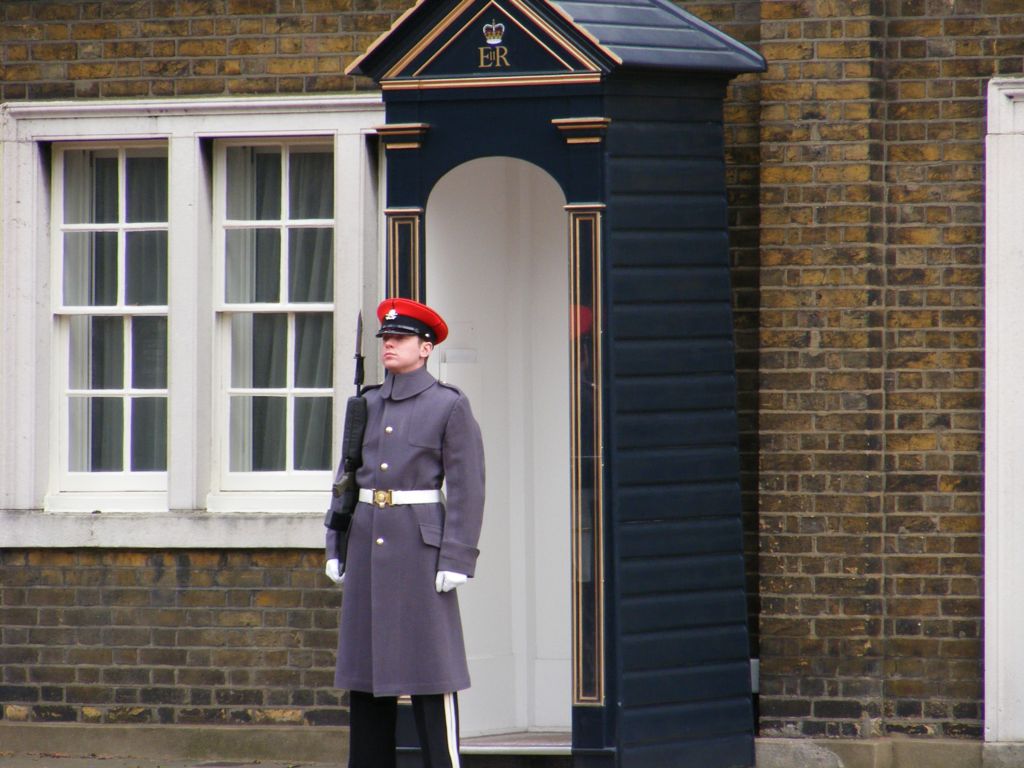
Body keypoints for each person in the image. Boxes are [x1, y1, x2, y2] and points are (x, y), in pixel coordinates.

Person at [325, 297, 485, 768]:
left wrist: (457, 556)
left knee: (432, 675)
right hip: (367, 545)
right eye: (385, 339)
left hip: (420, 551)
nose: (389, 344)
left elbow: (468, 486)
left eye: (400, 338)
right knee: (366, 680)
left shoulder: (448, 405)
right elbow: (346, 477)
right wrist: (335, 541)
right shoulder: (368, 403)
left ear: (426, 346)